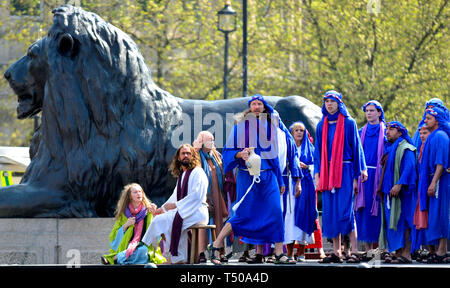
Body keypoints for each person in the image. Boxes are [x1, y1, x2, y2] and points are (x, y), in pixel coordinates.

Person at [210, 94, 301, 265]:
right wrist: (239, 154)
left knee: (275, 212)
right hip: (248, 176)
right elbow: (229, 152)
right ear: (250, 107)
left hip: (269, 176)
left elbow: (274, 157)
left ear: (264, 107)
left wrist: (280, 181)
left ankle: (279, 253)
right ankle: (215, 245)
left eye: (260, 104)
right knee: (243, 214)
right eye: (253, 104)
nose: (257, 107)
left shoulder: (270, 127)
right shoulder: (240, 127)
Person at [313, 90, 367, 264]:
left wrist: (360, 171)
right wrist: (317, 174)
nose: (329, 104)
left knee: (346, 211)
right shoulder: (322, 124)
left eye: (333, 101)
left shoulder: (349, 123)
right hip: (328, 172)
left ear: (339, 103)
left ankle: (354, 250)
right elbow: (318, 152)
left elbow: (357, 147)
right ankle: (337, 252)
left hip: (345, 169)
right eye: (327, 101)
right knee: (330, 212)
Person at [141, 144, 209, 264]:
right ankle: (179, 257)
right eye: (183, 153)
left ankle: (143, 246)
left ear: (193, 156)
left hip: (197, 211)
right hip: (186, 211)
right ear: (178, 157)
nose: (186, 156)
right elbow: (174, 197)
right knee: (163, 219)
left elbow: (196, 196)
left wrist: (176, 206)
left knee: (163, 221)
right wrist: (161, 209)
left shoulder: (198, 172)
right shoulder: (182, 175)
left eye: (189, 153)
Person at [378, 121, 417, 264]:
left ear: (400, 133)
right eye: (387, 129)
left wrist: (399, 184)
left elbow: (410, 167)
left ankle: (406, 255)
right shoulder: (391, 148)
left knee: (404, 223)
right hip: (390, 194)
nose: (388, 131)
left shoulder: (406, 148)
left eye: (391, 129)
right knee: (394, 223)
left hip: (403, 194)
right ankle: (398, 253)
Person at [101, 183, 166, 265]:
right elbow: (114, 237)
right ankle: (125, 258)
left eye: (140, 191)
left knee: (143, 251)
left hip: (144, 245)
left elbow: (156, 230)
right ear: (129, 196)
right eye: (135, 192)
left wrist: (154, 214)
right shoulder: (123, 214)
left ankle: (115, 258)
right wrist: (126, 225)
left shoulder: (148, 211)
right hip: (127, 245)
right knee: (133, 251)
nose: (139, 193)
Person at [417, 106, 449, 263]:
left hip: (440, 181)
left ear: (437, 120)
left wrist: (434, 182)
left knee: (441, 214)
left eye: (429, 118)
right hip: (432, 180)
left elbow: (441, 163)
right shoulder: (432, 136)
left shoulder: (441, 136)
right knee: (434, 215)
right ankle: (437, 250)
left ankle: (442, 251)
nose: (425, 120)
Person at [354, 100, 385, 253]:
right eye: (367, 111)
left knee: (379, 211)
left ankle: (380, 248)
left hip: (381, 176)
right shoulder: (361, 132)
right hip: (364, 177)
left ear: (379, 112)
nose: (369, 113)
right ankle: (367, 249)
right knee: (364, 211)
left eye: (372, 110)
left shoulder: (385, 132)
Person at [192, 131, 228, 263]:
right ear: (201, 141)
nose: (211, 142)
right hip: (202, 195)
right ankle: (201, 252)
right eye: (208, 140)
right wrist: (196, 147)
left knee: (218, 222)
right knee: (203, 222)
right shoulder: (196, 155)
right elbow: (191, 165)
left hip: (217, 194)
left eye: (212, 139)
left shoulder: (216, 156)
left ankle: (219, 251)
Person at [284, 122, 317, 262]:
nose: (299, 132)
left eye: (301, 130)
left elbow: (316, 167)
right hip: (289, 185)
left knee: (304, 214)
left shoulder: (310, 149)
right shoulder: (286, 148)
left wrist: (307, 166)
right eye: (296, 130)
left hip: (306, 185)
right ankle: (289, 252)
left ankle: (301, 252)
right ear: (291, 132)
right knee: (290, 217)